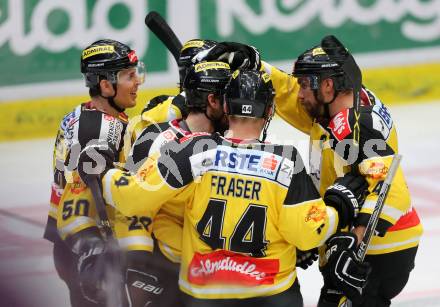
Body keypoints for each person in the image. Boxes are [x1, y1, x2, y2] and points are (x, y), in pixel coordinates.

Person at [78, 69, 368, 306]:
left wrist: (103, 173)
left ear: (226, 107)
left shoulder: (192, 150)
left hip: (205, 295)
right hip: (271, 295)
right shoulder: (286, 160)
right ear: (269, 112)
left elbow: (131, 198)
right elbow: (305, 234)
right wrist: (338, 206)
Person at [200, 38, 423, 306]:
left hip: (378, 251)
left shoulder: (355, 125)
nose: (300, 93)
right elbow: (287, 95)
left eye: (305, 84)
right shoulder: (338, 108)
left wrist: (354, 240)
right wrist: (259, 67)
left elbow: (392, 189)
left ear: (328, 85)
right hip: (376, 244)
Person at [43, 39, 145, 306]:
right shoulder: (97, 132)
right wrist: (93, 250)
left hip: (73, 246)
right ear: (105, 84)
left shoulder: (85, 116)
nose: (138, 82)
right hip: (87, 248)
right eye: (129, 76)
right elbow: (79, 201)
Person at [122, 60, 231, 306]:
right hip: (167, 267)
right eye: (229, 98)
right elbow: (129, 201)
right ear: (212, 101)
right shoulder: (155, 138)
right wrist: (137, 260)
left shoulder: (230, 141)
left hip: (217, 270)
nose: (235, 106)